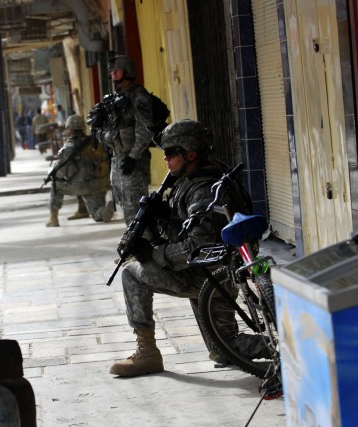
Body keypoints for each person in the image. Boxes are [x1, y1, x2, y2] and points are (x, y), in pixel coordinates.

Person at [109, 119, 267, 377]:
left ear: (190, 153)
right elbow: (186, 231)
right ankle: (280, 346)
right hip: (212, 272)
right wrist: (159, 219)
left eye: (171, 153)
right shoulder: (192, 178)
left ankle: (147, 353)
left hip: (212, 274)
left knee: (131, 273)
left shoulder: (203, 187)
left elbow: (198, 247)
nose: (166, 160)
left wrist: (153, 254)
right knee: (223, 350)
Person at [99, 55, 155, 226]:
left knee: (136, 207)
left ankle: (143, 247)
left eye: (117, 71)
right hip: (117, 158)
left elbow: (145, 130)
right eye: (112, 71)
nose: (113, 74)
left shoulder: (138, 97)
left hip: (133, 160)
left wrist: (133, 156)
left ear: (128, 71)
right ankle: (136, 245)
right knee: (125, 205)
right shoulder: (116, 98)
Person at [44, 114, 114, 227]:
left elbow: (60, 171)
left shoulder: (69, 147)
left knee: (57, 183)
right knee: (96, 213)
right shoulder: (95, 142)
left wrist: (53, 174)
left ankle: (53, 218)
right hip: (101, 183)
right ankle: (100, 211)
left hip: (83, 185)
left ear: (70, 129)